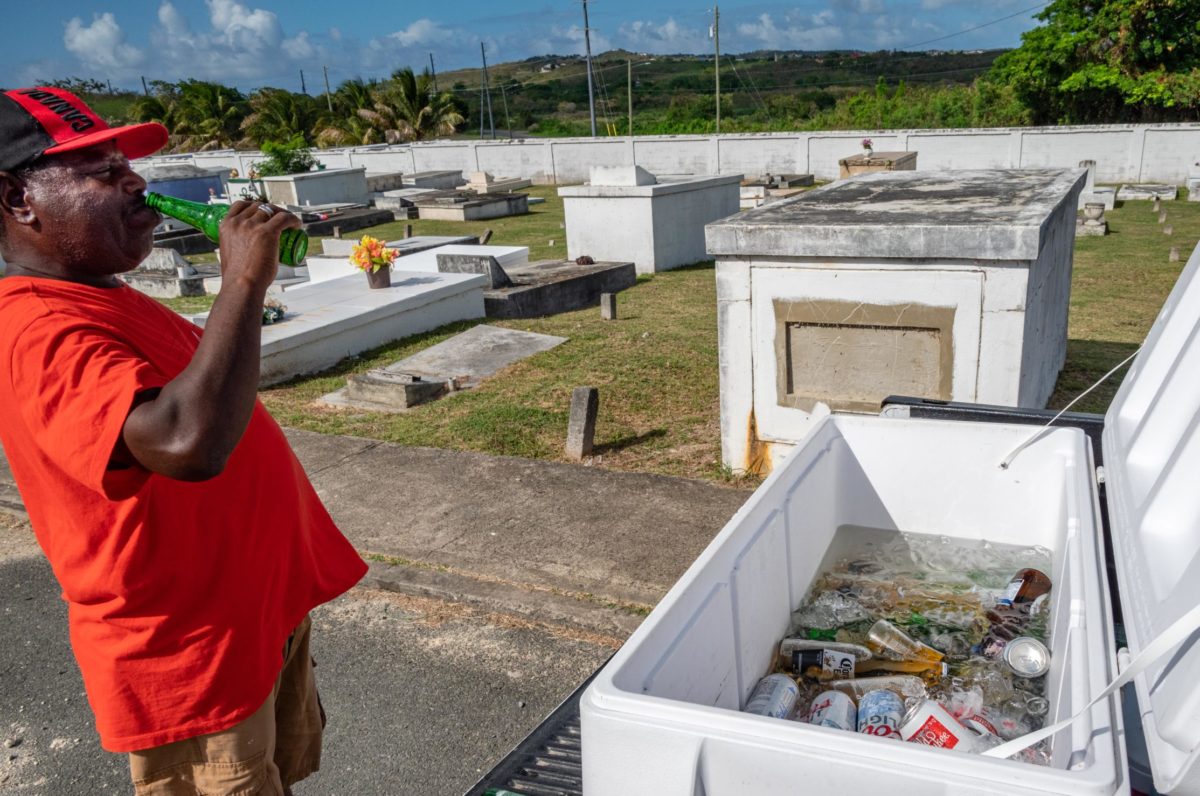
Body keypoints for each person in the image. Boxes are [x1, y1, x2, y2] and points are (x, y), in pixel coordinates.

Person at [0, 87, 367, 794]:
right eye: (100, 171)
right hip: (190, 662)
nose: (134, 181)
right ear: (18, 197)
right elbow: (186, 443)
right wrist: (242, 281)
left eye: (125, 164)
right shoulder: (33, 333)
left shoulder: (100, 292)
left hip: (250, 622)